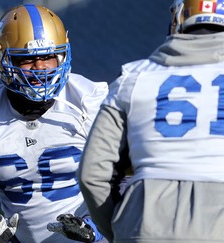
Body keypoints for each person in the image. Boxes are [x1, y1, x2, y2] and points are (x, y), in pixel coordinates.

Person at [0, 4, 109, 243]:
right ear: (3, 59)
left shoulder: (90, 102)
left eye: (48, 57)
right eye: (28, 60)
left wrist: (95, 228)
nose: (40, 69)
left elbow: (123, 182)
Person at [78, 0, 224, 242]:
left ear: (177, 20)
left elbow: (92, 174)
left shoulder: (133, 78)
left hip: (144, 224)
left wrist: (118, 228)